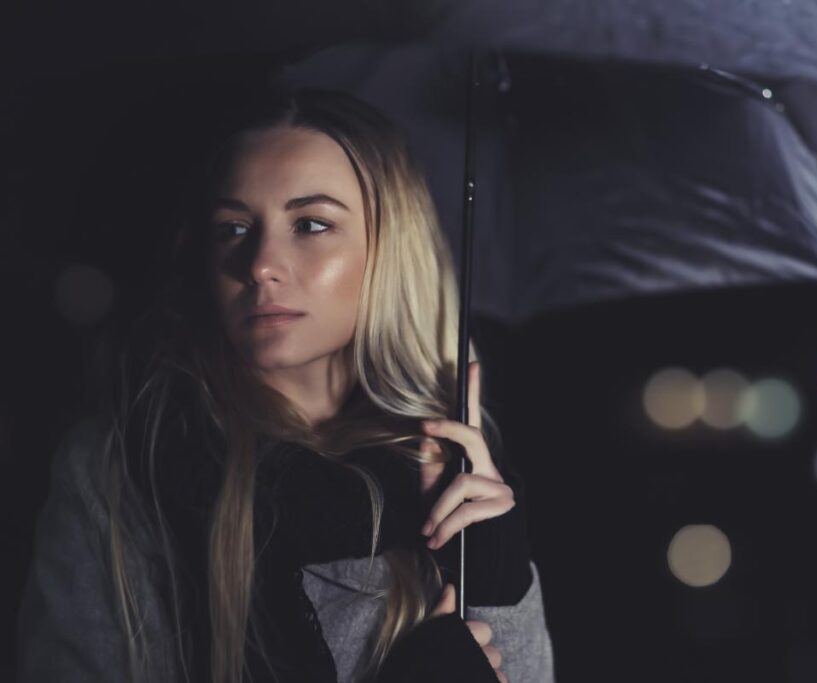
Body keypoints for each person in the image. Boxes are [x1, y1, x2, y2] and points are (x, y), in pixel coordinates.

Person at [16, 85, 556, 683]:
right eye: (235, 228)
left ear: (388, 249)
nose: (260, 265)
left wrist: (497, 583)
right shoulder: (126, 468)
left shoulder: (450, 468)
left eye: (311, 224)